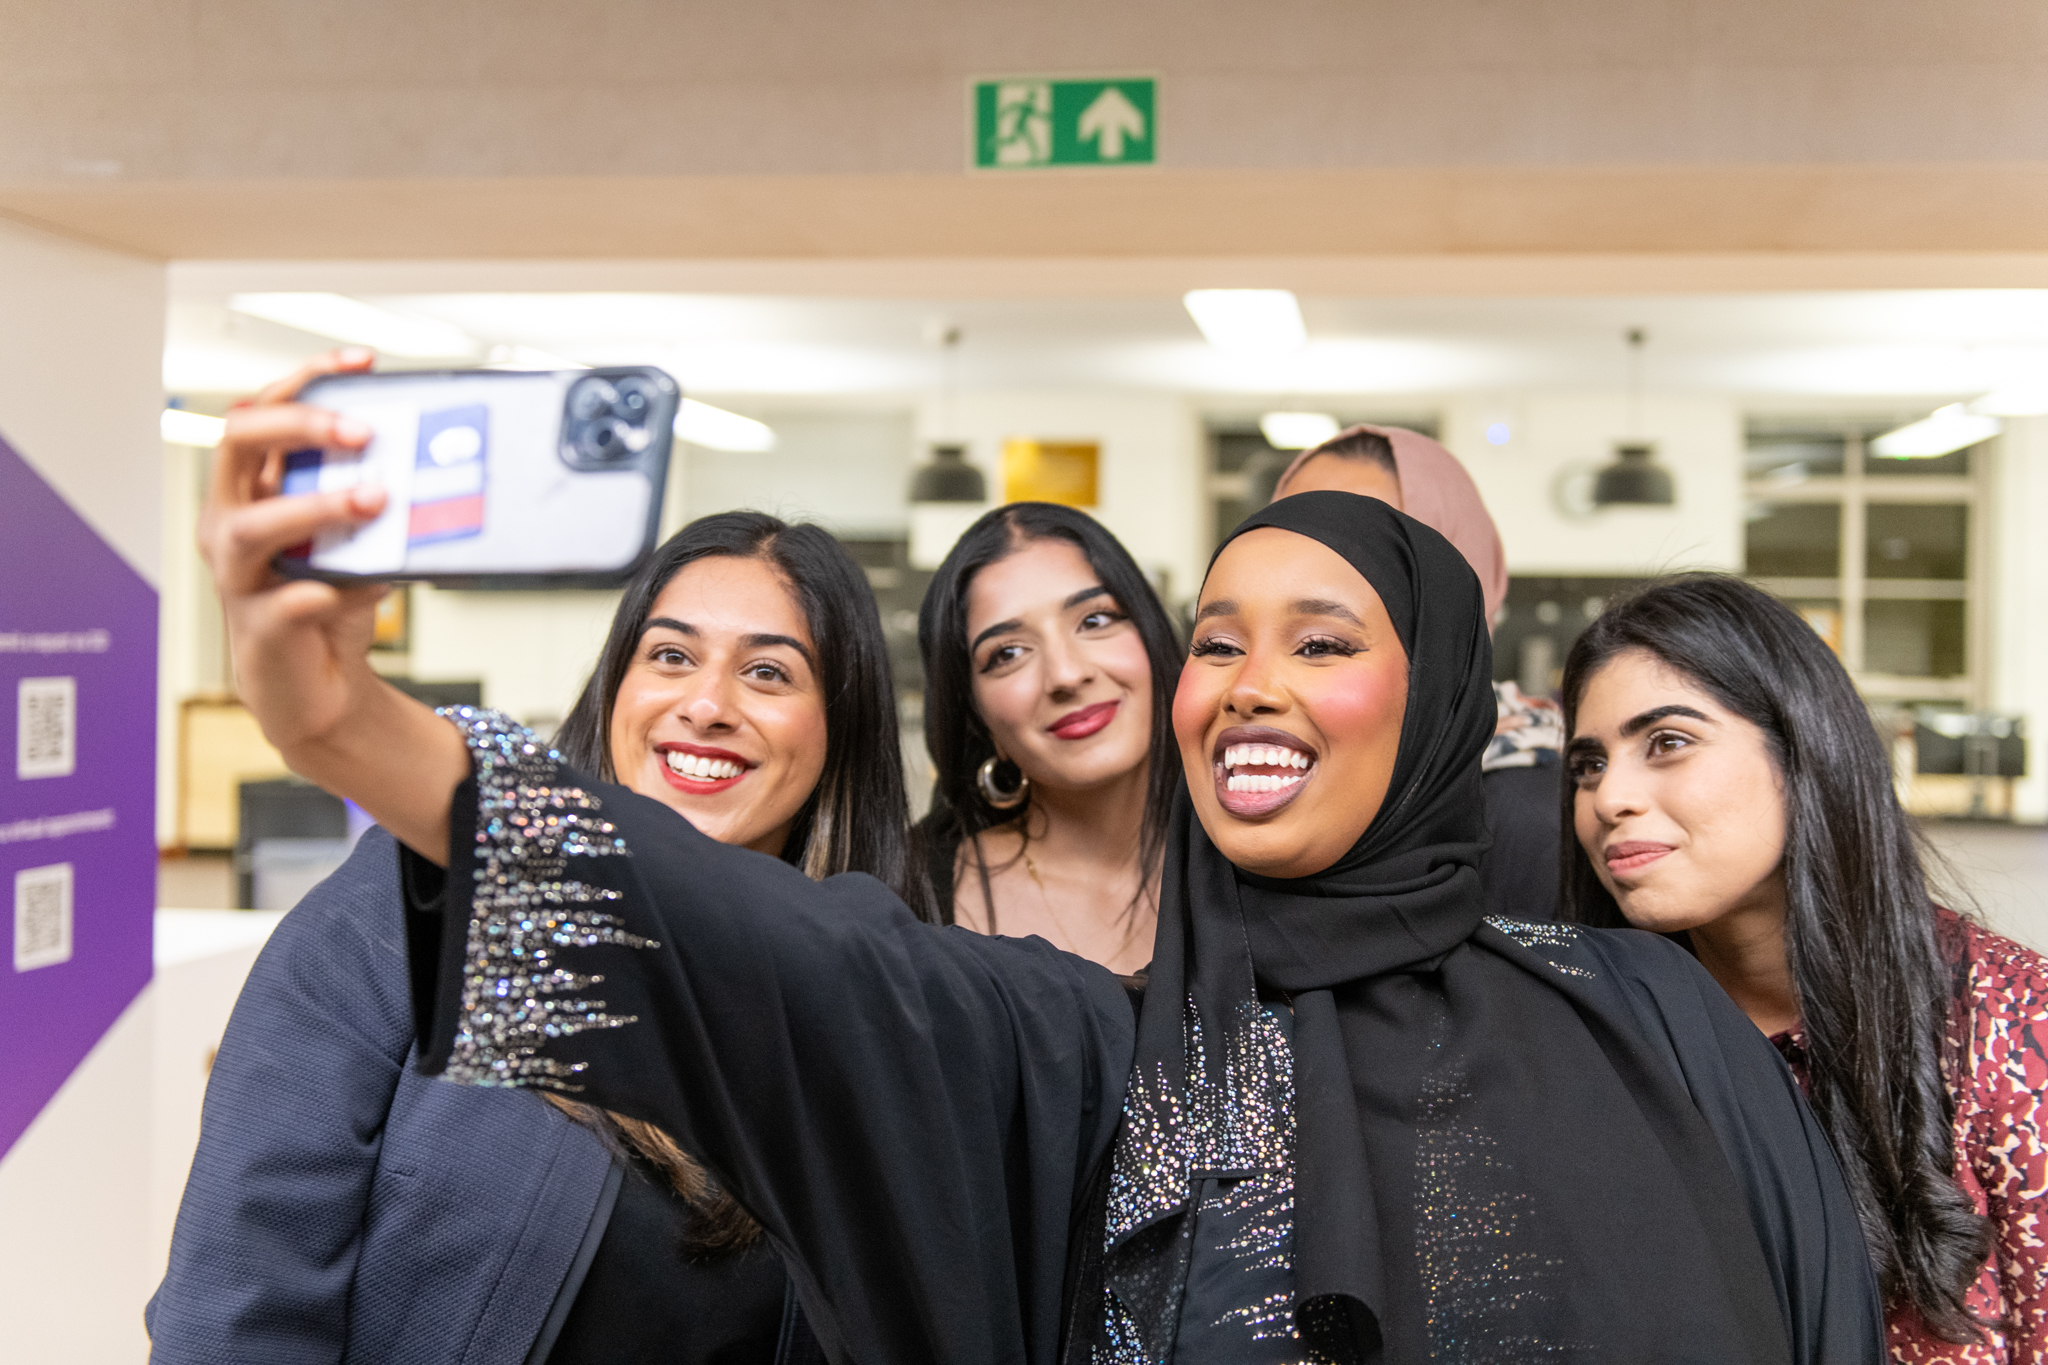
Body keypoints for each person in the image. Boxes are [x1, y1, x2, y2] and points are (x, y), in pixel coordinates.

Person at [201, 353, 1882, 1364]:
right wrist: (347, 722)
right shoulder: (1102, 1051)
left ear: (1439, 695)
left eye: (1322, 639)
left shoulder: (1641, 1011)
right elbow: (776, 958)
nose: (1250, 683)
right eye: (1216, 640)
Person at [155, 362, 923, 1363]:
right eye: (670, 655)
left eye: (769, 671)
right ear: (614, 688)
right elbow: (236, 1295)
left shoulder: (868, 1002)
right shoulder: (420, 900)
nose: (706, 703)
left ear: (838, 727)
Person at [1559, 573, 2048, 1362]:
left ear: (1803, 750)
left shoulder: (2011, 1022)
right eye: (1587, 763)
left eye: (1667, 742)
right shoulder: (1582, 1032)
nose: (1608, 796)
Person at [1272, 422, 1566, 919]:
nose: (1318, 579)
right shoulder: (1249, 779)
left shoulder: (1527, 814)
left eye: (1370, 549)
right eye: (1292, 540)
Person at [916, 502, 1180, 972]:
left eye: (1094, 621)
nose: (1066, 675)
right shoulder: (904, 897)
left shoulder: (1271, 861)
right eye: (1008, 653)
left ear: (1152, 634)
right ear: (976, 715)